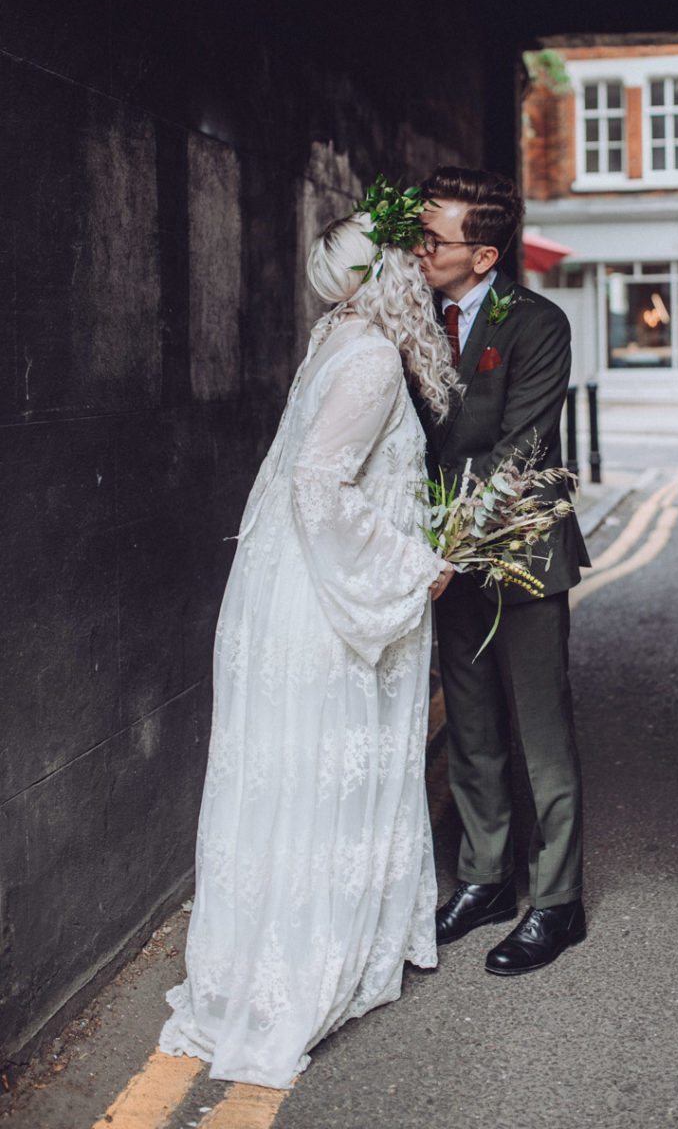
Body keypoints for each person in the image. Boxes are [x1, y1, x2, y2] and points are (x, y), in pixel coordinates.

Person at [160, 204, 456, 1088]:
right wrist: (413, 560)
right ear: (382, 275)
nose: (417, 270)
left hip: (292, 585)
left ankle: (273, 952)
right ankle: (298, 964)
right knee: (327, 770)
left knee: (292, 776)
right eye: (405, 259)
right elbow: (317, 484)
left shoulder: (338, 338)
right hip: (325, 597)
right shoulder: (367, 357)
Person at [413, 166, 589, 976]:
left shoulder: (538, 322)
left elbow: (522, 447)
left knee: (541, 737)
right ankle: (485, 878)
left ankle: (555, 902)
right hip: (441, 562)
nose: (418, 250)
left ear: (482, 257)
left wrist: (454, 539)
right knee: (474, 730)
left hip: (516, 550)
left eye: (433, 239)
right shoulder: (410, 316)